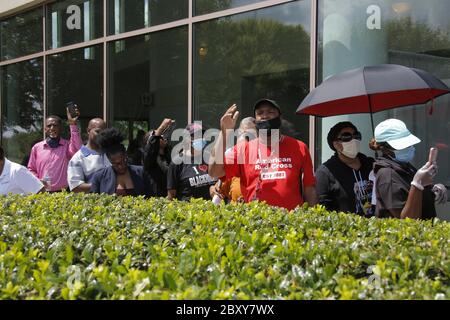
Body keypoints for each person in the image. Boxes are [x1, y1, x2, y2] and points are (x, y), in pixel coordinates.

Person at [208, 99, 318, 210]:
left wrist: (312, 217)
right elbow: (214, 171)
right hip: (257, 222)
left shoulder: (299, 147)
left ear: (280, 118)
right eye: (260, 113)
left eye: (270, 112)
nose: (265, 116)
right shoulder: (243, 149)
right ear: (255, 121)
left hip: (291, 222)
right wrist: (224, 133)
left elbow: (309, 187)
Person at [370, 118, 447, 219]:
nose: (409, 147)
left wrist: (433, 190)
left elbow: (414, 197)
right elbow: (408, 222)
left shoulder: (404, 166)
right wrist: (417, 184)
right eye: (403, 145)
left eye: (409, 143)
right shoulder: (387, 175)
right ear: (385, 149)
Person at [315, 122, 374, 216]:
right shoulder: (325, 173)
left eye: (356, 136)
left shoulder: (371, 164)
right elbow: (323, 210)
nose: (353, 140)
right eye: (346, 137)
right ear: (336, 144)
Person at [27, 108, 82, 192]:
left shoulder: (68, 146)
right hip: (43, 192)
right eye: (49, 126)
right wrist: (38, 182)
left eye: (55, 125)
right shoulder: (37, 148)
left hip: (64, 193)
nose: (52, 128)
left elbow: (78, 149)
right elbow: (31, 169)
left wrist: (72, 124)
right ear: (45, 129)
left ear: (61, 128)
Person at [90, 128, 153, 196]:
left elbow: (151, 196)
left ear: (126, 155)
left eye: (123, 161)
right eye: (115, 164)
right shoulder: (99, 177)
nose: (121, 166)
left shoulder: (141, 172)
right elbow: (93, 201)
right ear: (109, 159)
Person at [167, 123, 217, 201]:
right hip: (188, 211)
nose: (201, 139)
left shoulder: (209, 158)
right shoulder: (177, 163)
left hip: (210, 210)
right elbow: (171, 195)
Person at [213, 117, 257, 203]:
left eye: (249, 134)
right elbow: (216, 199)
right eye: (241, 132)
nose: (244, 136)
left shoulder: (265, 162)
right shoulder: (230, 162)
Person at [67, 118, 110, 193]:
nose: (101, 135)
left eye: (104, 133)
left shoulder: (110, 153)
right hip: (92, 203)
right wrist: (102, 185)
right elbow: (75, 187)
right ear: (88, 131)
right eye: (97, 131)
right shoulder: (78, 158)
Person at [143, 119, 173, 197]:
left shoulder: (169, 156)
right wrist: (161, 127)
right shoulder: (149, 160)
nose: (162, 136)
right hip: (157, 198)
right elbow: (151, 146)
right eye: (160, 136)